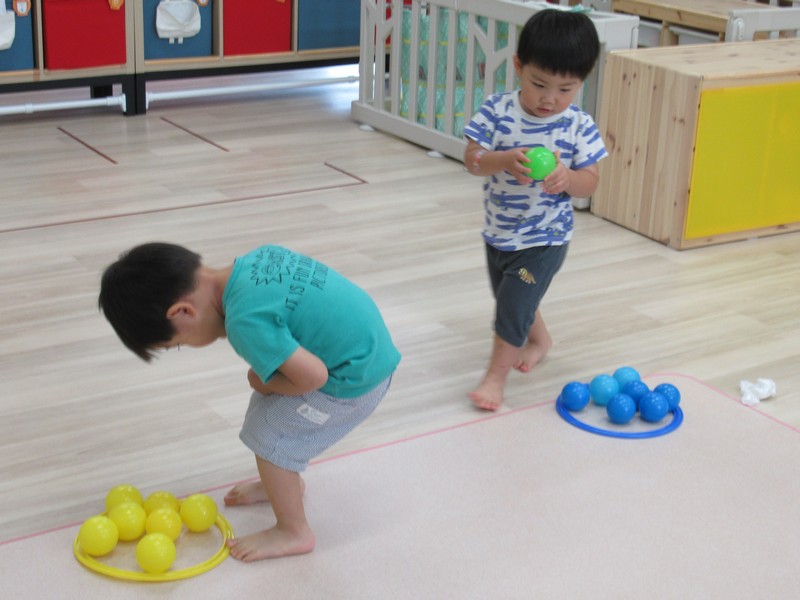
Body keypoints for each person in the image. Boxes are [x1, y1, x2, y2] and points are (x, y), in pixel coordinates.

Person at [98, 242, 401, 561]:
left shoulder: (243, 322)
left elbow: (314, 377)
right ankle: (282, 485)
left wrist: (263, 381)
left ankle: (293, 531)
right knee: (264, 412)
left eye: (177, 343)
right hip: (369, 352)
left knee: (270, 436)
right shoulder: (255, 261)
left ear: (182, 312)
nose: (184, 346)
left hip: (355, 381)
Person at [462, 9, 606, 411]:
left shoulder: (578, 124)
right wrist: (504, 160)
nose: (549, 99)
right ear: (518, 67)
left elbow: (590, 181)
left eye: (565, 89)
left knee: (512, 305)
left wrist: (567, 178)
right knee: (512, 296)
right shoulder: (497, 111)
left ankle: (494, 379)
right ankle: (540, 340)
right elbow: (472, 160)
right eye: (538, 84)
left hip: (546, 237)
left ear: (582, 82)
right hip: (500, 232)